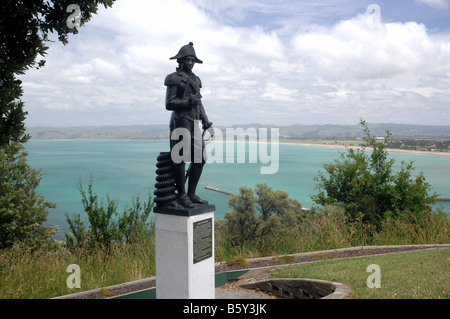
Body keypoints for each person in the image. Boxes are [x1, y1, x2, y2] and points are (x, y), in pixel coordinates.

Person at [164, 42, 213, 208]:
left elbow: (199, 104)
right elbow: (169, 103)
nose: (190, 63)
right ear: (180, 61)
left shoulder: (196, 79)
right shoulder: (174, 78)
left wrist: (206, 121)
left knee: (201, 158)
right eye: (187, 60)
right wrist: (187, 102)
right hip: (180, 122)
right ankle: (182, 194)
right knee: (180, 159)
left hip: (195, 123)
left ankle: (191, 193)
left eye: (192, 60)